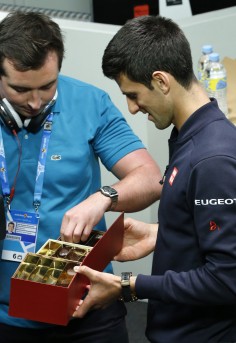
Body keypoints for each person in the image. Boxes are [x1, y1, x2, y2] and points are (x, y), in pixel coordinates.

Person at [0, 11, 162, 343]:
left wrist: (103, 197)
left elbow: (149, 177)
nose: (34, 102)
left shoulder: (90, 103)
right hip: (7, 317)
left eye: (47, 86)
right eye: (20, 90)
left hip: (89, 306)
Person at [73, 15, 236, 343]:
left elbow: (227, 279)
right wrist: (165, 235)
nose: (132, 108)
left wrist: (127, 287)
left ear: (161, 81)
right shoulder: (187, 137)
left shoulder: (213, 158)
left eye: (133, 95)